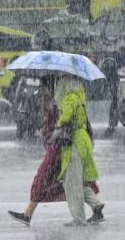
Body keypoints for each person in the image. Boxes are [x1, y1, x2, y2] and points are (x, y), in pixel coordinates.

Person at [8, 76, 103, 226]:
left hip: (60, 146)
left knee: (46, 180)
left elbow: (61, 121)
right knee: (72, 182)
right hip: (65, 145)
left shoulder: (63, 101)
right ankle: (96, 206)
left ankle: (29, 214)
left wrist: (53, 120)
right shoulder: (71, 98)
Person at [53, 75, 104, 226]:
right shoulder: (79, 97)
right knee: (80, 182)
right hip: (84, 140)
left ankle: (78, 218)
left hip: (74, 142)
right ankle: (95, 204)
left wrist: (58, 122)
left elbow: (66, 118)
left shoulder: (69, 98)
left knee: (72, 183)